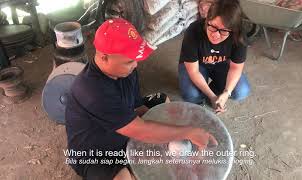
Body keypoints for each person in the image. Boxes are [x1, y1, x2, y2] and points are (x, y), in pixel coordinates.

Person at [65, 18, 218, 180]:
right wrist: (187, 132)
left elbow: (137, 108)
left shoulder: (127, 71)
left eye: (135, 59)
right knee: (124, 177)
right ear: (104, 57)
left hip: (123, 128)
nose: (135, 65)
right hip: (95, 153)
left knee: (163, 103)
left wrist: (171, 130)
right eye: (130, 61)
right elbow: (139, 130)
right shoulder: (91, 90)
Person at [178, 0, 251, 114]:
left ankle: (215, 89)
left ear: (233, 30)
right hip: (197, 66)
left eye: (224, 31)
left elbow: (235, 68)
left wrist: (227, 92)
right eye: (213, 26)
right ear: (207, 20)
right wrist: (212, 96)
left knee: (241, 91)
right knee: (191, 94)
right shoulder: (193, 31)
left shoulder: (239, 37)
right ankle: (204, 95)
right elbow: (193, 71)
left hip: (221, 65)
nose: (216, 35)